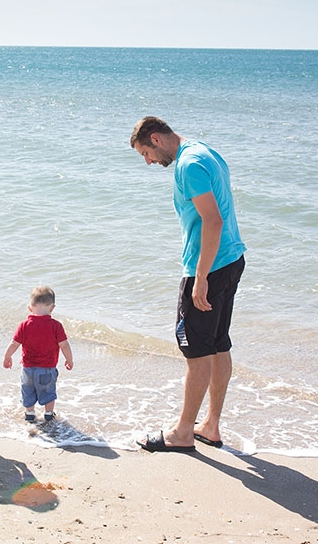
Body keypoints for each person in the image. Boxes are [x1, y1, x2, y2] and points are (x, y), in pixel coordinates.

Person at [130, 116, 246, 452]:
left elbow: (213, 220)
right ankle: (210, 425)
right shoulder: (204, 151)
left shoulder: (188, 164)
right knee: (218, 344)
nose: (149, 162)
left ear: (156, 138)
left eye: (145, 154)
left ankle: (182, 433)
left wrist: (200, 279)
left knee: (196, 352)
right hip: (231, 259)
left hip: (209, 267)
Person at [2, 286, 74, 423]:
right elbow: (64, 344)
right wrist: (69, 359)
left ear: (30, 308)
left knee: (27, 390)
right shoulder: (56, 326)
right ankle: (48, 413)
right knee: (48, 391)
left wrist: (7, 357)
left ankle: (30, 413)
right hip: (47, 369)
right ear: (52, 308)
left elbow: (14, 343)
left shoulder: (24, 325)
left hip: (27, 368)